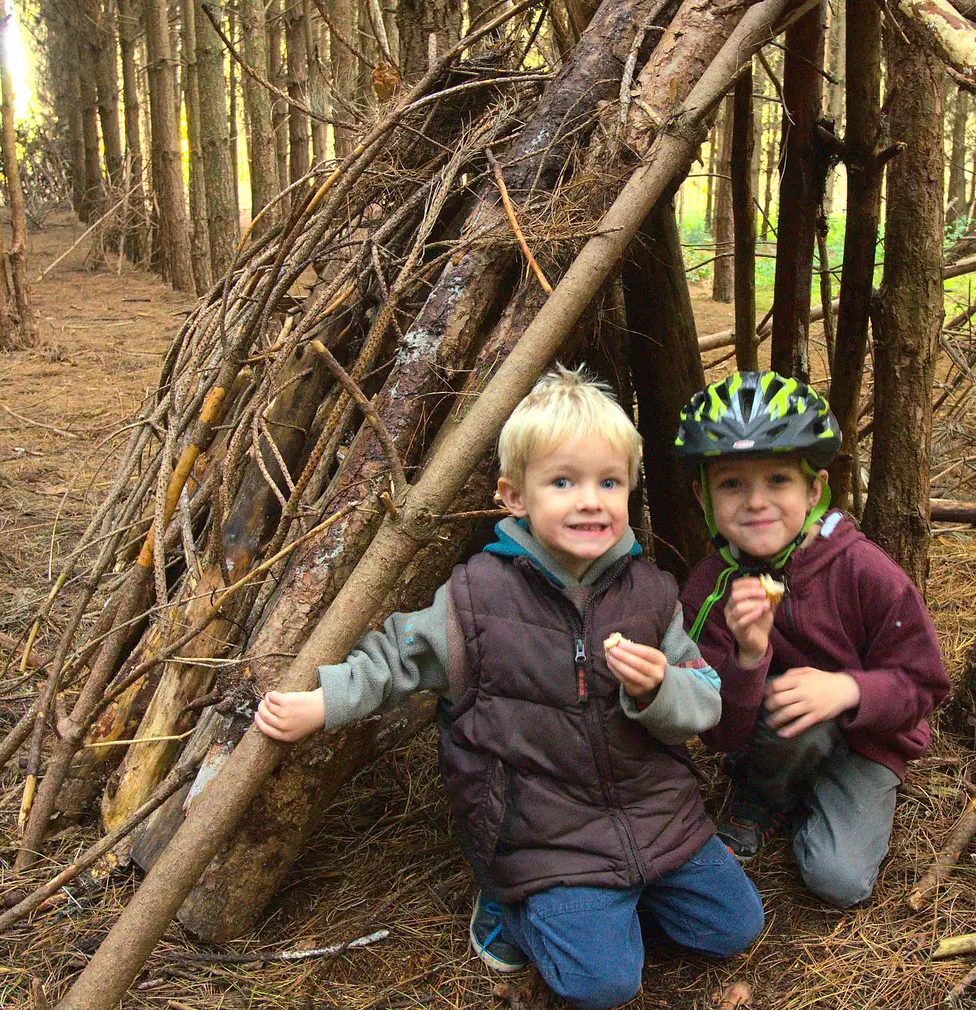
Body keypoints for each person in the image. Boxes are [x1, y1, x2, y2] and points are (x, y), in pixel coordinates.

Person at [254, 366, 764, 1010]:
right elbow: (396, 658)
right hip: (544, 834)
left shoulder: (651, 592)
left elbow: (705, 697)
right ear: (514, 495)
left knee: (736, 927)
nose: (590, 500)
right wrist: (324, 702)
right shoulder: (476, 597)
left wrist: (662, 686)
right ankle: (510, 906)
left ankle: (615, 907)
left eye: (609, 482)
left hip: (655, 815)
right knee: (606, 985)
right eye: (563, 482)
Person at [675, 371, 950, 909]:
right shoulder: (708, 590)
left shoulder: (863, 569)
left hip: (870, 743)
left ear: (814, 490)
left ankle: (821, 795)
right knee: (793, 713)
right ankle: (764, 796)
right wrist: (750, 656)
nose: (757, 502)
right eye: (732, 484)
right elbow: (717, 733)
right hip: (778, 736)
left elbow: (925, 683)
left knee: (839, 882)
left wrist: (850, 691)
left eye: (778, 480)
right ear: (703, 495)